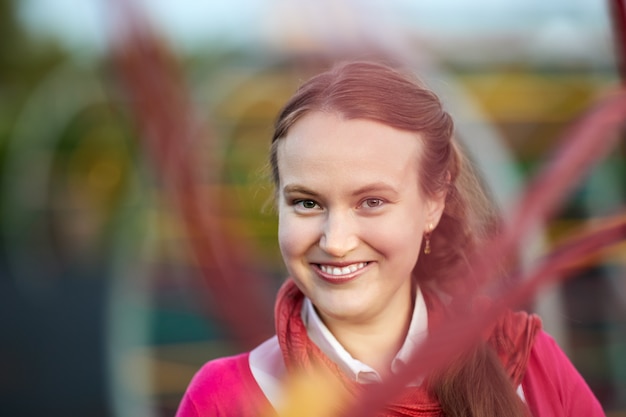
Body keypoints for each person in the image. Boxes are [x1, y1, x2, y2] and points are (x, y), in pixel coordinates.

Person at [176, 61, 604, 416]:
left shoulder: (528, 363)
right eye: (307, 203)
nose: (336, 241)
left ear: (433, 204)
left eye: (372, 202)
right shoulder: (225, 398)